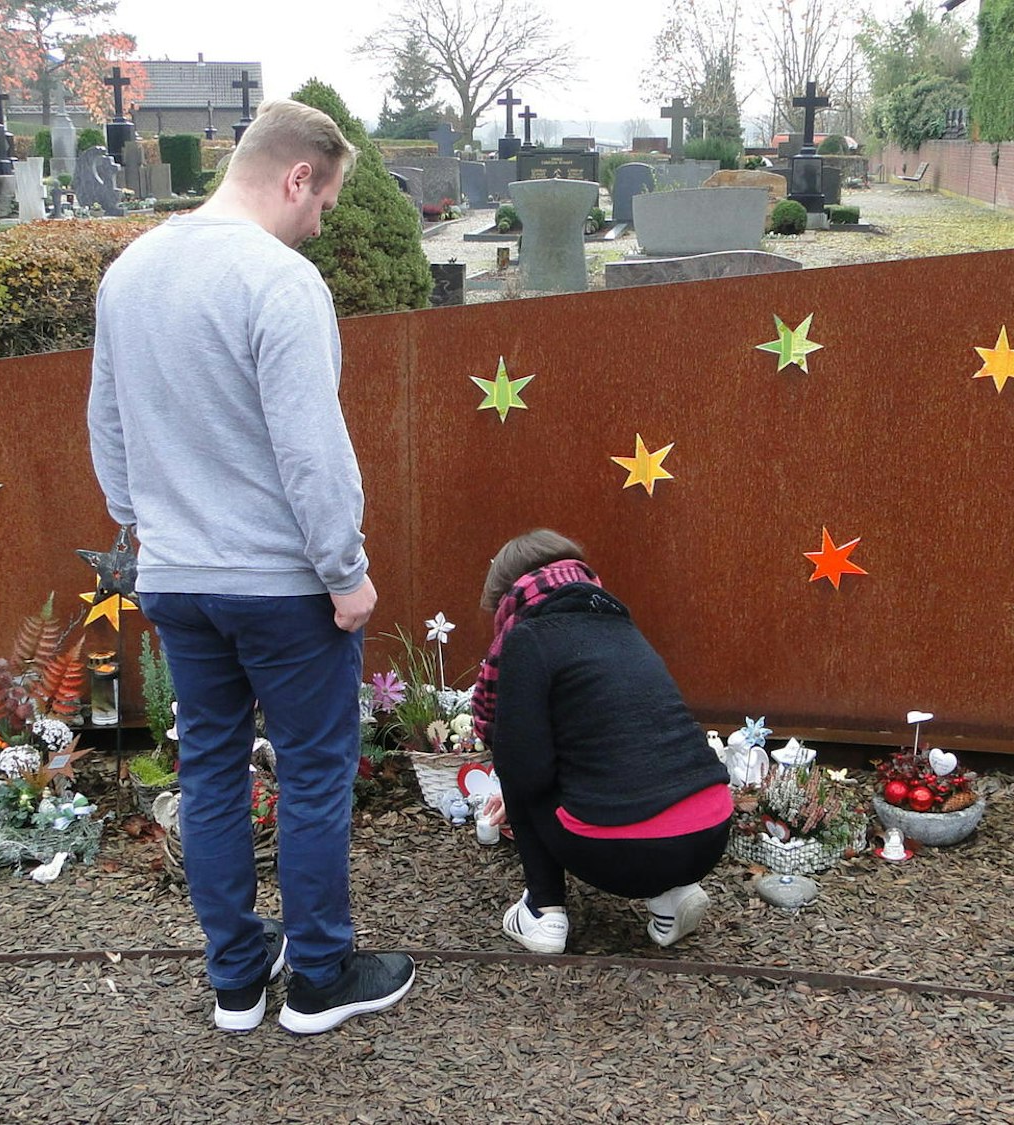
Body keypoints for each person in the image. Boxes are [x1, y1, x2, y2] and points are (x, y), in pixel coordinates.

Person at [88, 98, 414, 1035]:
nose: (322, 224)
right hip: (281, 584)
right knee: (313, 773)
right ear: (297, 175)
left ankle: (236, 978)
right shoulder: (278, 281)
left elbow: (106, 427)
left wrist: (148, 527)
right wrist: (345, 571)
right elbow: (312, 449)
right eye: (325, 201)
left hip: (177, 580)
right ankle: (317, 976)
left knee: (211, 773)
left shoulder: (131, 270)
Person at [470, 529, 732, 955]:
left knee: (521, 774)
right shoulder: (621, 626)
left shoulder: (528, 638)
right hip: (711, 831)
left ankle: (542, 912)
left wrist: (510, 787)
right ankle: (672, 896)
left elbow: (525, 769)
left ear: (507, 596)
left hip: (618, 852)